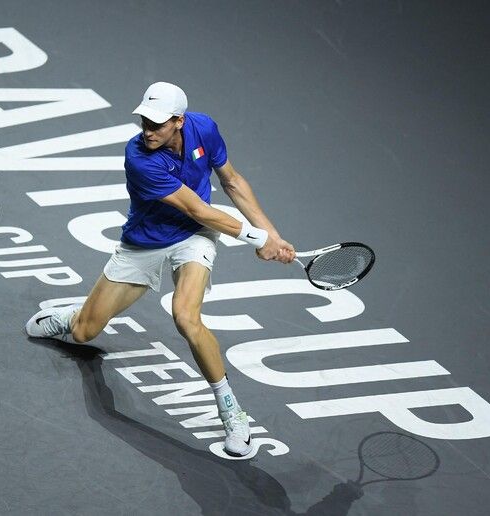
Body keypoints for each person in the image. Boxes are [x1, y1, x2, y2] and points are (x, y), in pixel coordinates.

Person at [25, 81, 296, 457]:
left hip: (195, 237)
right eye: (143, 122)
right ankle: (75, 316)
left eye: (157, 124)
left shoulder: (205, 128)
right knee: (86, 332)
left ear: (179, 121)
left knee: (186, 316)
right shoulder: (139, 157)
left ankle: (232, 412)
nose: (147, 130)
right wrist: (256, 238)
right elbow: (196, 208)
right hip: (146, 242)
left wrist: (272, 235)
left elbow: (231, 181)